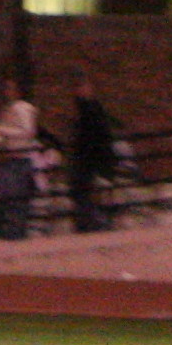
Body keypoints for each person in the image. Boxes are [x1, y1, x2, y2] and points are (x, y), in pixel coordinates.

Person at [0, 77, 38, 241]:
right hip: (8, 158)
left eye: (10, 88)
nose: (6, 92)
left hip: (18, 159)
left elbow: (27, 131)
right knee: (1, 197)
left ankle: (11, 234)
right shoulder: (8, 109)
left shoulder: (22, 108)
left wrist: (1, 131)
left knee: (14, 200)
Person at [68, 73, 116, 233]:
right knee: (85, 195)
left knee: (88, 194)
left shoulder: (90, 110)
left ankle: (92, 224)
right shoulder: (87, 109)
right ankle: (91, 224)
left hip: (90, 160)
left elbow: (97, 135)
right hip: (87, 160)